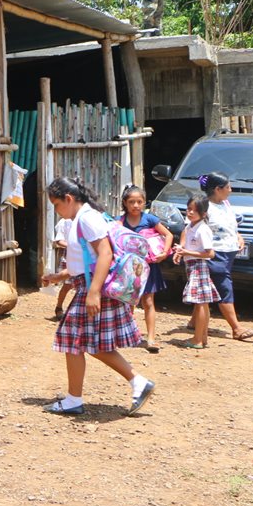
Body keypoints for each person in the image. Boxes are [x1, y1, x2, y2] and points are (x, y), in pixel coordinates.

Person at [40, 177, 155, 416]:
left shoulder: (87, 218)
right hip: (90, 285)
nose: (57, 211)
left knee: (74, 340)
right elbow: (85, 261)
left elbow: (105, 253)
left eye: (57, 205)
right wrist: (59, 276)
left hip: (95, 288)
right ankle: (136, 383)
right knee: (84, 342)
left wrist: (94, 292)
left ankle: (76, 399)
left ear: (69, 199)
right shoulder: (82, 218)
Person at [199, 172, 253, 341]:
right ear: (217, 189)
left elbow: (231, 225)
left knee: (207, 288)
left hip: (228, 253)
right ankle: (236, 328)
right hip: (214, 254)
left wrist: (238, 236)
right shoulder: (204, 207)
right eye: (228, 187)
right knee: (224, 288)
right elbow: (193, 228)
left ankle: (195, 321)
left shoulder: (225, 203)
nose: (230, 190)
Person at [117, 185, 173, 353]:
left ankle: (150, 338)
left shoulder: (150, 219)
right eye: (132, 202)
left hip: (149, 267)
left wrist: (164, 253)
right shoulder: (120, 221)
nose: (135, 205)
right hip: (129, 269)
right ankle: (129, 335)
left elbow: (168, 235)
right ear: (125, 203)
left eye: (139, 202)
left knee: (148, 302)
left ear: (144, 203)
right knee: (129, 302)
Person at [173, 194, 218, 349]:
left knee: (200, 303)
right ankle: (202, 337)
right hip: (192, 266)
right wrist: (180, 251)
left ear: (203, 214)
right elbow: (185, 240)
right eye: (189, 209)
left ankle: (197, 339)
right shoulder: (190, 226)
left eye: (194, 210)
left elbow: (210, 253)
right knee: (202, 303)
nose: (190, 212)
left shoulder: (203, 229)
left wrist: (186, 253)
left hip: (199, 266)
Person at [51, 217, 74, 321]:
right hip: (70, 257)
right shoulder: (64, 222)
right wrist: (74, 246)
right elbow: (59, 241)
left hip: (85, 258)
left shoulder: (85, 219)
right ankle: (59, 307)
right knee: (68, 285)